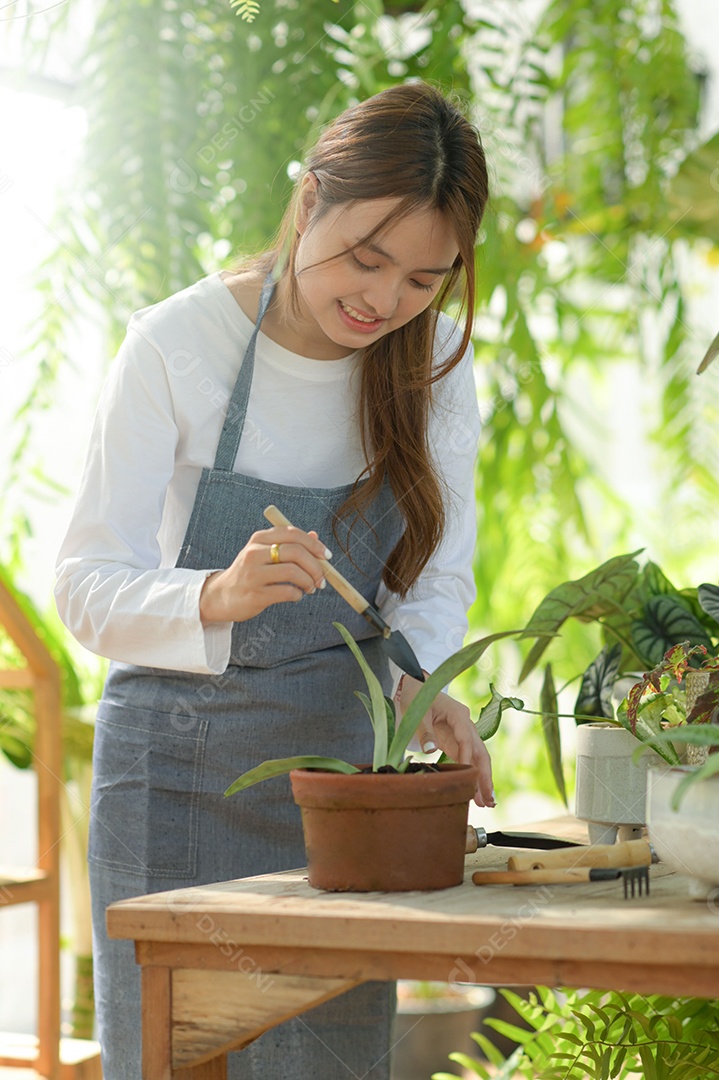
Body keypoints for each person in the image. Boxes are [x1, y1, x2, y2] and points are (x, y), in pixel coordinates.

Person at [55, 81, 491, 1080]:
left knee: (327, 1062)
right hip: (172, 774)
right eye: (365, 257)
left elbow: (431, 580)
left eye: (423, 281)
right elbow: (85, 583)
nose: (382, 302)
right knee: (174, 1058)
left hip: (337, 794)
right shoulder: (176, 344)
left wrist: (418, 691)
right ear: (308, 201)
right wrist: (212, 596)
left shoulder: (435, 367)